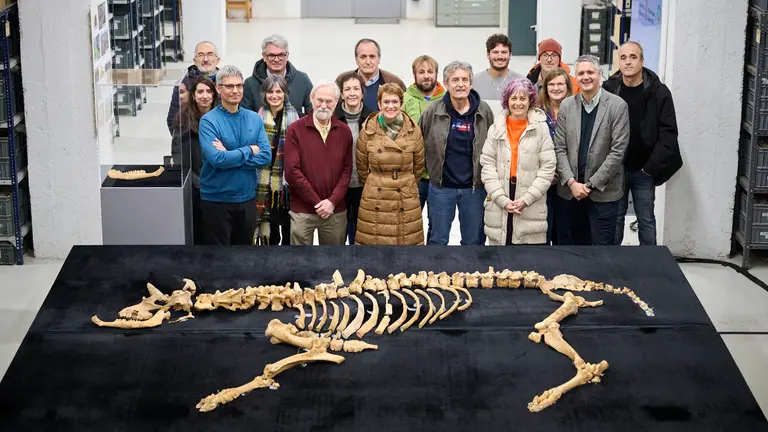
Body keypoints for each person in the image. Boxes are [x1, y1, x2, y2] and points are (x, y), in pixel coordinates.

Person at [603, 41, 682, 246]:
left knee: (646, 219)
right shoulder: (609, 89)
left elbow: (669, 133)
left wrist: (650, 168)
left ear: (642, 61)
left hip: (644, 170)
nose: (628, 62)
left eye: (633, 57)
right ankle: (611, 260)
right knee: (615, 218)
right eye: (623, 58)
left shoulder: (659, 92)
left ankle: (649, 261)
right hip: (616, 170)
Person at [554, 55, 629, 246]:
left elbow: (617, 153)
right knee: (575, 249)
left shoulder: (617, 106)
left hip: (603, 193)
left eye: (590, 72)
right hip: (571, 193)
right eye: (581, 73)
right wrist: (572, 183)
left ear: (600, 74)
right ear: (576, 77)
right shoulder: (567, 105)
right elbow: (559, 148)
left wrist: (590, 185)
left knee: (602, 252)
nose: (585, 77)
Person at [420, 61, 495, 245]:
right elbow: (419, 142)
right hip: (441, 188)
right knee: (437, 241)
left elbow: (493, 146)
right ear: (446, 84)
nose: (460, 84)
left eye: (464, 80)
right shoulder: (433, 111)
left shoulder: (484, 110)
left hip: (474, 190)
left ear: (471, 83)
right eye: (455, 80)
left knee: (473, 242)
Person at [198, 65, 272, 245]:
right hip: (216, 200)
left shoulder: (254, 118)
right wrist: (249, 150)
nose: (235, 91)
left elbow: (265, 156)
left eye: (239, 86)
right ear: (218, 88)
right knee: (219, 256)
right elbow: (217, 159)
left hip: (246, 198)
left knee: (244, 254)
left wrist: (229, 155)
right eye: (229, 86)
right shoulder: (208, 121)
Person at [481, 78, 556, 245]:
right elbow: (487, 165)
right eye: (513, 98)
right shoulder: (495, 128)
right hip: (500, 197)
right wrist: (502, 200)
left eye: (523, 98)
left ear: (530, 101)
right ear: (507, 101)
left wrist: (526, 199)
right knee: (500, 257)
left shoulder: (541, 128)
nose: (518, 103)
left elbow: (548, 168)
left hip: (531, 200)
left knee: (528, 258)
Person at [355, 83, 425, 245]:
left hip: (405, 194)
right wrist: (376, 182)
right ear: (379, 104)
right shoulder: (367, 130)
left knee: (406, 245)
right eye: (386, 102)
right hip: (375, 195)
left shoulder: (414, 130)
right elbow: (362, 167)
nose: (390, 106)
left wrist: (405, 182)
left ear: (401, 103)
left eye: (395, 101)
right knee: (374, 244)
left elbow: (418, 167)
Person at [285, 82, 353, 245]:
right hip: (302, 210)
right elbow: (292, 172)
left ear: (336, 102)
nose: (323, 106)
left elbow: (347, 171)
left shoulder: (344, 131)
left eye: (328, 101)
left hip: (335, 210)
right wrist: (317, 202)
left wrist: (332, 202)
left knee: (334, 258)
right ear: (311, 99)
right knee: (300, 258)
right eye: (319, 100)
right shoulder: (295, 129)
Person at [171, 76, 219, 245]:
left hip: (219, 185)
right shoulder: (183, 119)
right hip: (195, 187)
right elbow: (179, 156)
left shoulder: (222, 118)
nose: (204, 96)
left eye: (208, 91)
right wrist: (198, 183)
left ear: (214, 95)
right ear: (193, 95)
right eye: (200, 92)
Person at [254, 75, 300, 246]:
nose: (274, 95)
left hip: (287, 187)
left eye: (278, 91)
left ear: (285, 93)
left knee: (289, 233)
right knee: (271, 235)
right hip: (264, 186)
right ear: (264, 94)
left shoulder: (295, 117)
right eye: (270, 92)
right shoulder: (257, 118)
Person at [403, 54, 446, 215]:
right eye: (421, 72)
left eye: (430, 71)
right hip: (413, 176)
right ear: (414, 75)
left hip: (440, 176)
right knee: (410, 221)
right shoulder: (404, 99)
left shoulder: (447, 100)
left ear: (436, 74)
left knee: (438, 224)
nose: (426, 76)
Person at [334, 72, 373, 244]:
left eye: (356, 89)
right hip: (338, 186)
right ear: (341, 94)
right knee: (338, 234)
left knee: (361, 235)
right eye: (347, 89)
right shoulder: (332, 118)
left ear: (362, 93)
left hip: (364, 185)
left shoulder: (373, 118)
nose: (352, 93)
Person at [538, 68, 575, 245]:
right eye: (551, 84)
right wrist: (545, 172)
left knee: (565, 232)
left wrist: (564, 173)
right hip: (543, 181)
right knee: (543, 230)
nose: (556, 88)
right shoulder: (537, 113)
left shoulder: (577, 111)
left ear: (568, 86)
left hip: (569, 181)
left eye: (560, 84)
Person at [242, 35, 313, 116]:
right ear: (264, 56)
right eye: (272, 55)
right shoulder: (250, 84)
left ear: (287, 55)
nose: (276, 59)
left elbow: (313, 114)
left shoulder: (302, 80)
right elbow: (246, 118)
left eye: (281, 55)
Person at [336, 38, 406, 113]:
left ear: (379, 59)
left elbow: (404, 112)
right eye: (363, 57)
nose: (368, 62)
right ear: (356, 59)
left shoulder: (394, 82)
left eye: (372, 56)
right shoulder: (343, 80)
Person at [167, 41, 220, 134]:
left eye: (210, 54)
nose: (206, 59)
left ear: (217, 60)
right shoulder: (184, 84)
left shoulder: (226, 83)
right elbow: (173, 120)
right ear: (195, 61)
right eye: (201, 55)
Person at [472, 34, 524, 100]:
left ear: (510, 55)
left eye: (504, 52)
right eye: (495, 52)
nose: (500, 57)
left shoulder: (522, 82)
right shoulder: (474, 82)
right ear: (488, 55)